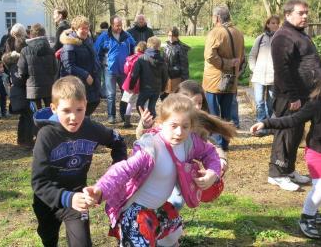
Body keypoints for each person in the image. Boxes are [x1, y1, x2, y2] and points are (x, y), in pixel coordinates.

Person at [84, 94, 224, 246]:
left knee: (171, 241)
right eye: (174, 125)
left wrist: (212, 173)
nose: (179, 132)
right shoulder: (151, 148)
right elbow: (123, 170)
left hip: (159, 208)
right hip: (136, 212)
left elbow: (210, 153)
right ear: (161, 122)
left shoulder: (189, 143)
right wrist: (100, 189)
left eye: (185, 126)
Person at [250, 67, 321, 239]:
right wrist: (266, 123)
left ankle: (314, 208)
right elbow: (292, 119)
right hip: (318, 152)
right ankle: (307, 217)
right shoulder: (317, 104)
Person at [31, 76, 127, 247]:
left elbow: (118, 141)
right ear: (53, 108)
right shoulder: (46, 135)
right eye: (66, 110)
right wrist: (67, 197)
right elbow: (39, 182)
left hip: (78, 199)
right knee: (48, 237)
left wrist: (114, 175)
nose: (73, 117)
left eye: (79, 110)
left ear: (86, 105)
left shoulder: (91, 128)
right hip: (48, 200)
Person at [268, 0, 321, 191]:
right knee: (285, 134)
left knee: (296, 134)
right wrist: (292, 97)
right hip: (289, 98)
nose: (305, 16)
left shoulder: (299, 34)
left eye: (306, 13)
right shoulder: (283, 36)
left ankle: (288, 169)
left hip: (304, 96)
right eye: (301, 13)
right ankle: (276, 174)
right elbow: (281, 69)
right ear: (288, 14)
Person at [202, 6, 244, 151]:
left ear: (218, 18)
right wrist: (235, 67)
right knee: (227, 113)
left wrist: (226, 63)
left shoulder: (215, 32)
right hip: (231, 79)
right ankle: (225, 143)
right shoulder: (238, 32)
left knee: (213, 113)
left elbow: (209, 56)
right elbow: (242, 56)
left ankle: (217, 143)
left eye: (213, 17)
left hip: (215, 79)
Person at [94, 15, 136, 124]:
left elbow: (134, 49)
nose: (119, 28)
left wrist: (131, 63)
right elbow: (97, 52)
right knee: (110, 94)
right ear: (112, 25)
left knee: (125, 93)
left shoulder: (127, 36)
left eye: (121, 25)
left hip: (124, 71)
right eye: (117, 26)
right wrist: (100, 65)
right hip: (109, 70)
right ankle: (111, 115)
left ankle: (123, 114)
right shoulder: (104, 37)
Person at [59, 16, 102, 116]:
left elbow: (93, 57)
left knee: (93, 103)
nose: (86, 31)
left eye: (87, 28)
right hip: (77, 83)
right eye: (83, 28)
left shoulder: (87, 40)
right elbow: (68, 66)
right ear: (75, 29)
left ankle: (83, 126)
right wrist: (85, 75)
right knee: (81, 109)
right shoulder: (69, 44)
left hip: (90, 82)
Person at [248, 15, 280, 136]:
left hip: (273, 77)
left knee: (271, 102)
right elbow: (252, 55)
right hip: (259, 76)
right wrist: (254, 68)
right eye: (272, 23)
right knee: (259, 101)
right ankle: (260, 125)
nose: (275, 25)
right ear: (267, 24)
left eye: (277, 23)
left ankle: (267, 124)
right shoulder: (260, 38)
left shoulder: (281, 39)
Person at [17, 23, 57, 109]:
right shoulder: (51, 50)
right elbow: (55, 69)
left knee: (36, 115)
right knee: (51, 112)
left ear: (31, 35)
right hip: (49, 86)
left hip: (33, 87)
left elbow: (21, 71)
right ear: (44, 34)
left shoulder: (25, 50)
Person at [129, 36, 168, 119]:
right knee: (151, 106)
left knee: (139, 105)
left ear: (148, 45)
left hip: (145, 87)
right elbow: (165, 76)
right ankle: (151, 119)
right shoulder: (162, 60)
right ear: (159, 46)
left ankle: (147, 120)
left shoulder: (141, 59)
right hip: (157, 88)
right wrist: (163, 89)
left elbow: (134, 74)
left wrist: (131, 86)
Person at [121, 41, 147, 128]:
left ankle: (126, 121)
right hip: (141, 82)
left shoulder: (131, 58)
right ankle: (144, 120)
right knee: (143, 102)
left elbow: (125, 70)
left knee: (130, 102)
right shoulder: (145, 58)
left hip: (131, 81)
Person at [164, 27, 190, 93]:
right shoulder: (166, 46)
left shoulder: (180, 48)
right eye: (169, 35)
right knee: (167, 95)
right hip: (167, 76)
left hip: (177, 77)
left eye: (173, 36)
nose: (171, 38)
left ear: (177, 36)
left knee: (176, 96)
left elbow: (184, 65)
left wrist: (184, 80)